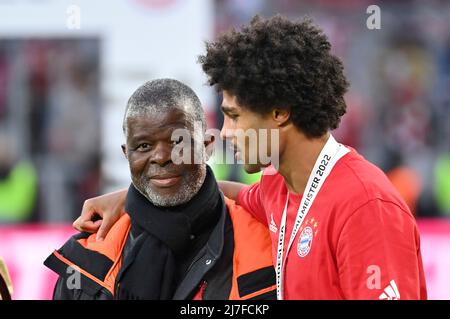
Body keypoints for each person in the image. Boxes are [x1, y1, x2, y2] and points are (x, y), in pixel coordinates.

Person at [74, 16, 427, 300]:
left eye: (235, 116)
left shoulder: (364, 204)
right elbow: (219, 193)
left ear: (279, 113)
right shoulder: (280, 192)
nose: (225, 132)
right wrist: (130, 198)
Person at [44, 79, 276, 300]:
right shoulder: (86, 259)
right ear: (127, 154)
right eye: (144, 146)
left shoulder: (268, 239)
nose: (162, 157)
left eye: (178, 142)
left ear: (207, 146)